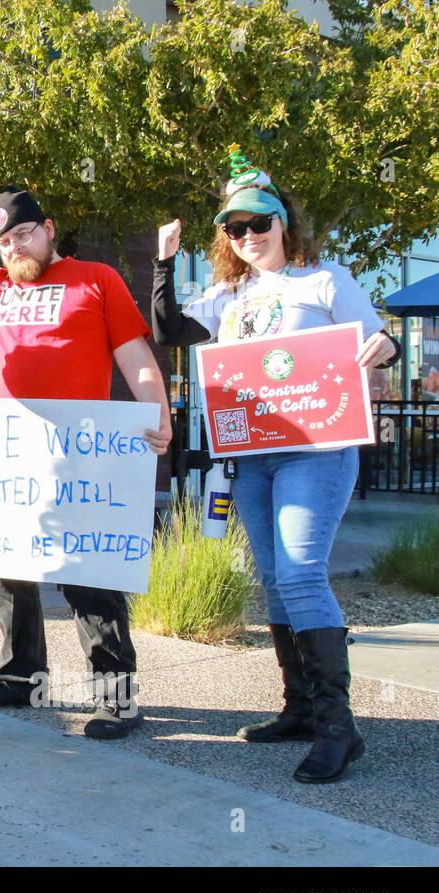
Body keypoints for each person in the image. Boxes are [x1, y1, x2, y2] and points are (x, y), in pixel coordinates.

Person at [151, 156, 400, 782]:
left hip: (315, 450)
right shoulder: (230, 295)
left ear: (283, 223)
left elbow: (380, 340)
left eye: (259, 222)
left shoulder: (323, 280)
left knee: (300, 570)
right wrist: (162, 260)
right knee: (273, 575)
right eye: (234, 228)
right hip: (252, 456)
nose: (248, 236)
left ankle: (340, 730)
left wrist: (385, 346)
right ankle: (300, 709)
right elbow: (166, 327)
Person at [0, 170, 172, 739]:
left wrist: (157, 413)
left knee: (89, 573)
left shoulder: (96, 279)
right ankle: (20, 678)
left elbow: (134, 355)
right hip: (4, 456)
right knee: (5, 567)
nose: (14, 246)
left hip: (80, 455)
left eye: (24, 234)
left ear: (49, 231)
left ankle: (116, 696)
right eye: (4, 241)